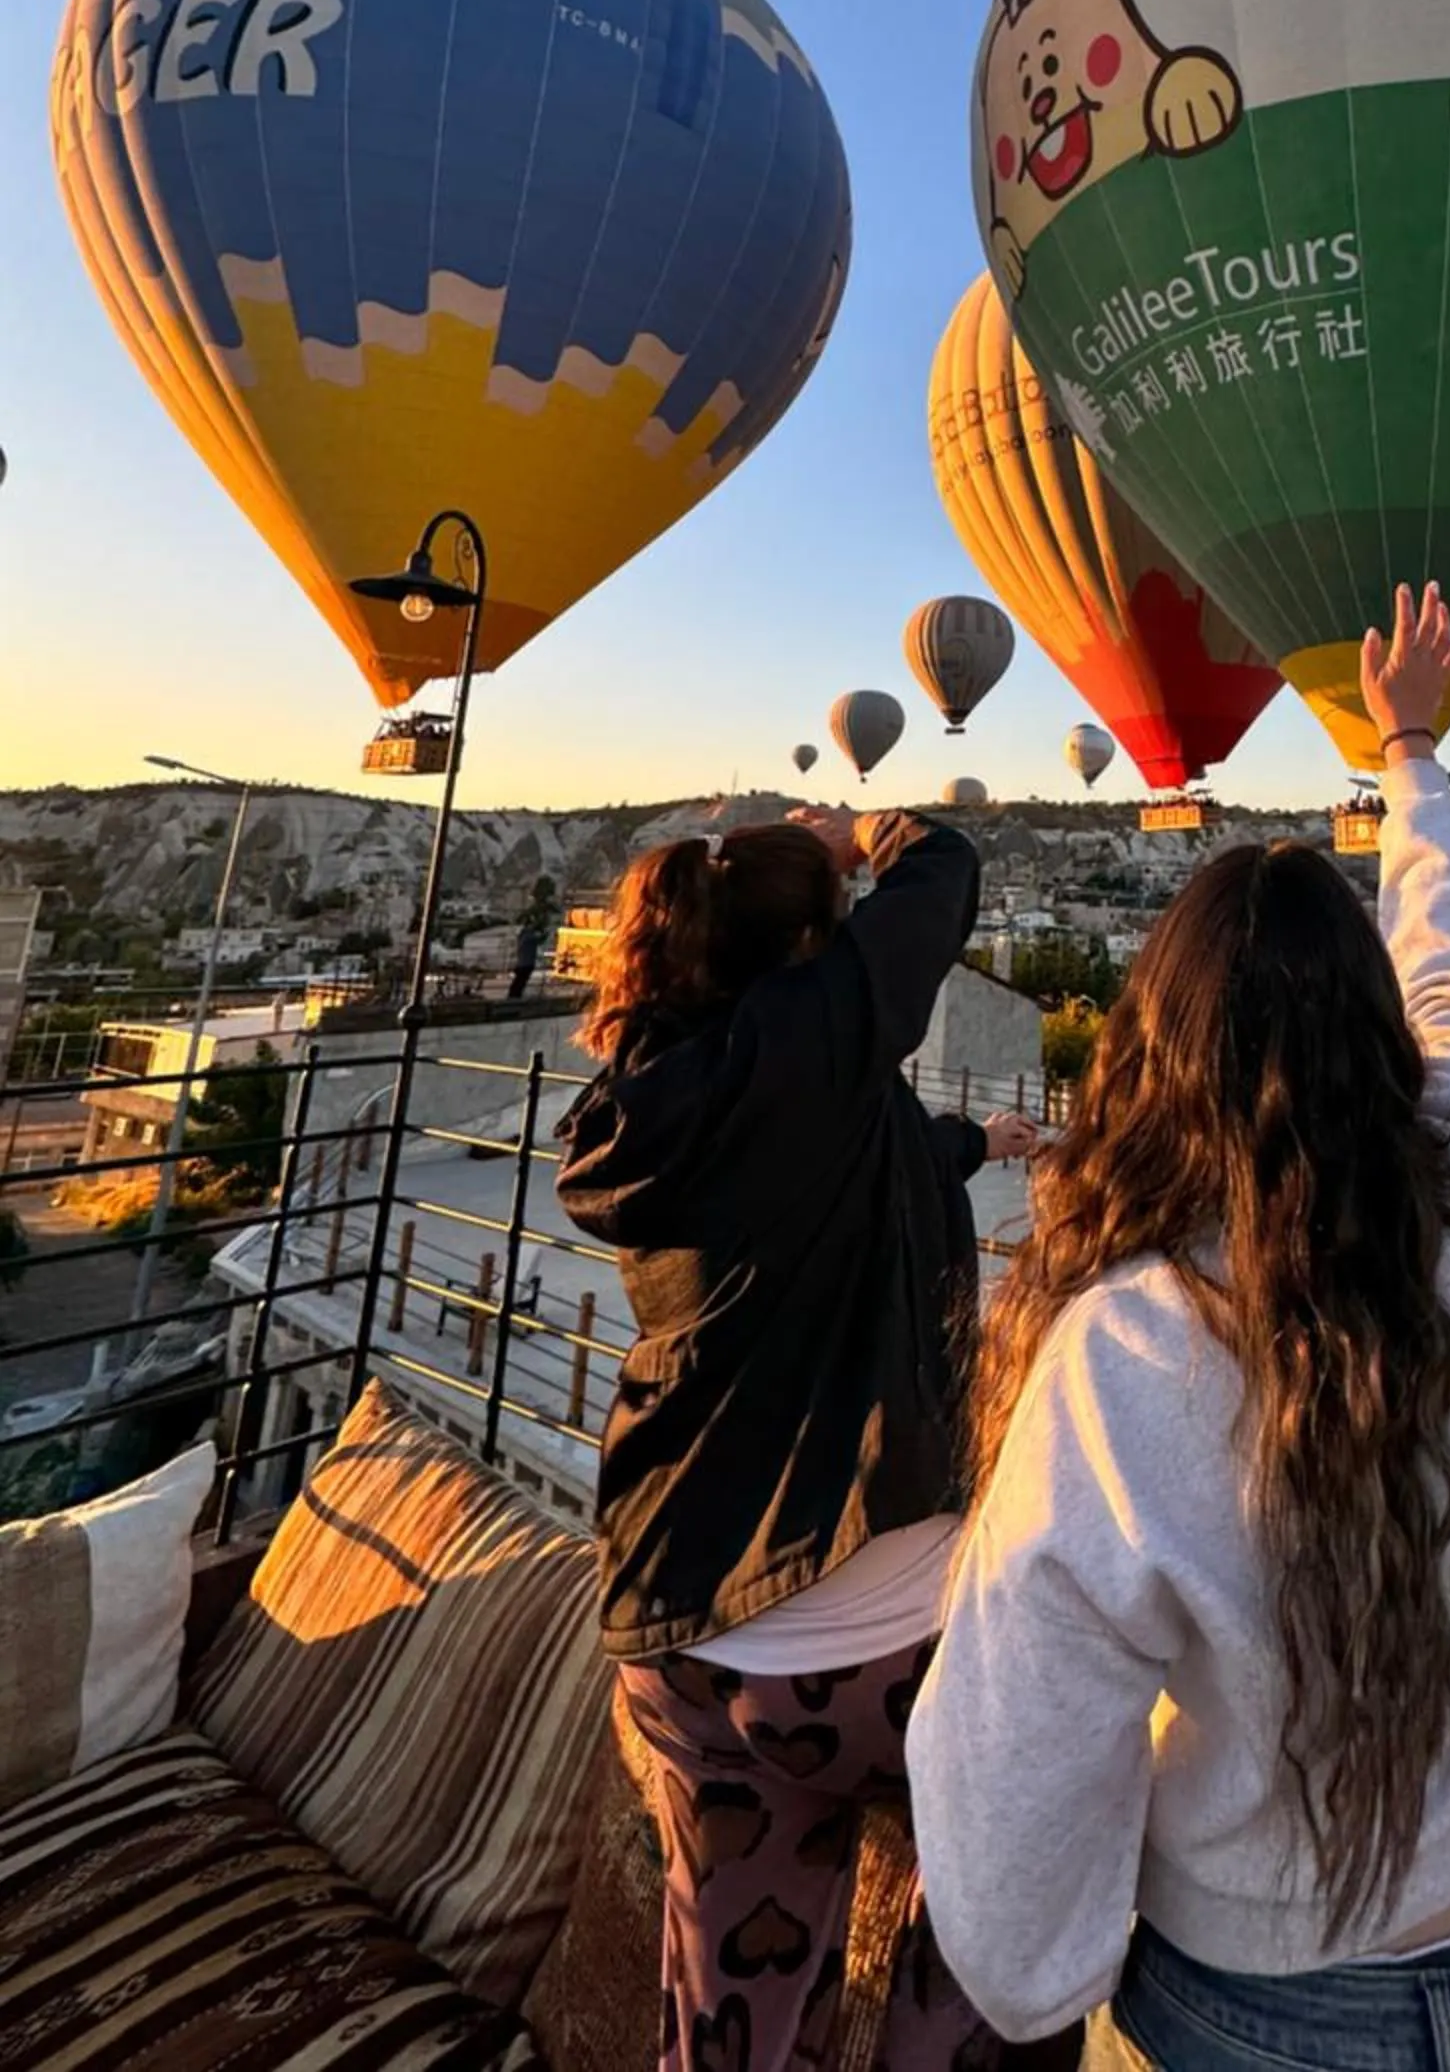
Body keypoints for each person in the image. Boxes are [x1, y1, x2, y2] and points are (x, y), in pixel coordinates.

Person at [908, 587, 1450, 2071]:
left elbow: (1013, 1791)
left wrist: (1048, 1974)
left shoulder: (1119, 1352)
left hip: (1260, 2007)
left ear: (1150, 1059)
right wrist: (1407, 747)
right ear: (1380, 1033)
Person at [557, 805, 1040, 2072]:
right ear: (825, 945)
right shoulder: (819, 1035)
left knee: (733, 2015)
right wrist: (873, 832)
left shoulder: (652, 1091)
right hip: (870, 1661)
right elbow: (946, 870)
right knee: (1025, 1845)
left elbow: (831, 1156)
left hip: (679, 1635)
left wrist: (974, 1143)